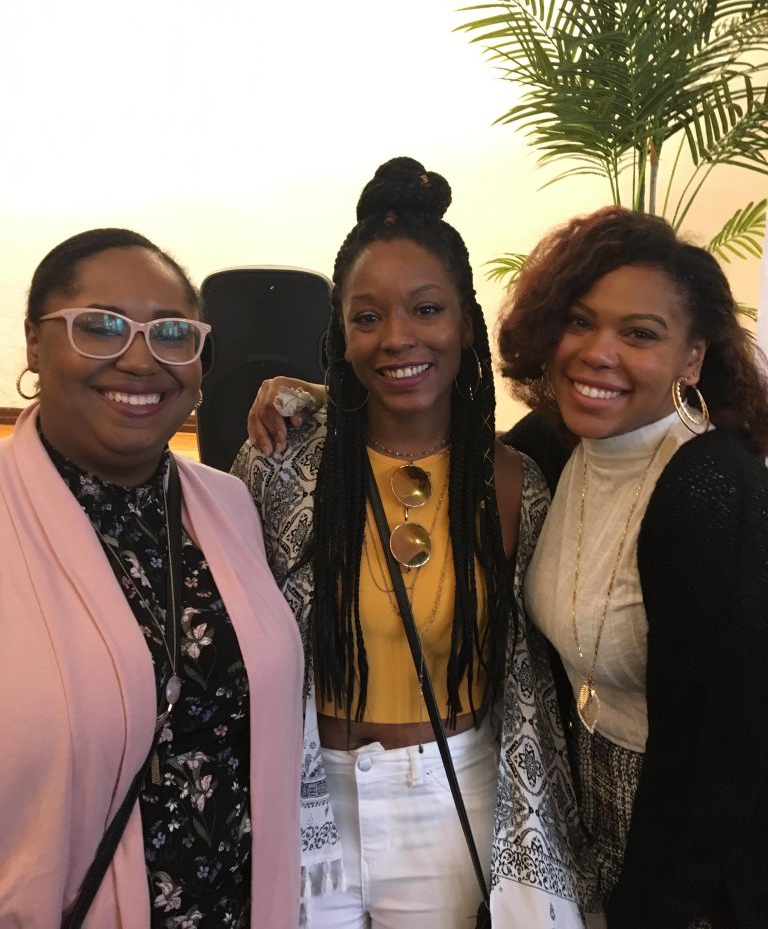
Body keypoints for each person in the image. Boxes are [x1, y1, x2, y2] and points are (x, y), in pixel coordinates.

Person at [232, 158, 591, 929]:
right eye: (367, 318)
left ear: (465, 320)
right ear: (340, 331)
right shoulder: (282, 460)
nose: (397, 338)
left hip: (451, 797)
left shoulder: (512, 483)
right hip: (306, 795)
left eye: (425, 310)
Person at [0, 229, 304, 929]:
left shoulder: (228, 505)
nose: (140, 359)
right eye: (101, 326)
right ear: (34, 344)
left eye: (172, 333)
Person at [498, 206, 768, 929]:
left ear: (692, 356)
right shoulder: (562, 443)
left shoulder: (709, 489)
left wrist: (650, 910)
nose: (597, 353)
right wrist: (322, 400)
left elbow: (719, 755)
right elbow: (449, 443)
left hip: (685, 854)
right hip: (584, 815)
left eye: (639, 334)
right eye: (580, 322)